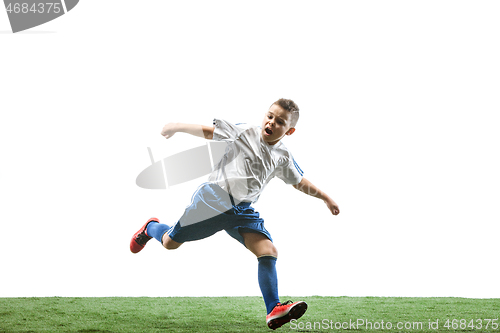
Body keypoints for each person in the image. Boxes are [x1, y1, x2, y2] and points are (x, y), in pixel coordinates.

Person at [130, 98, 340, 330]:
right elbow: (210, 132)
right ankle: (150, 227)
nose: (271, 122)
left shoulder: (283, 156)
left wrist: (326, 198)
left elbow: (298, 181)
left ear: (289, 130)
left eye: (279, 121)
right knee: (170, 243)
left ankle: (273, 309)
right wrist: (178, 126)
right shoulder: (245, 132)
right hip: (212, 199)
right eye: (270, 116)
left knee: (268, 250)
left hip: (242, 211)